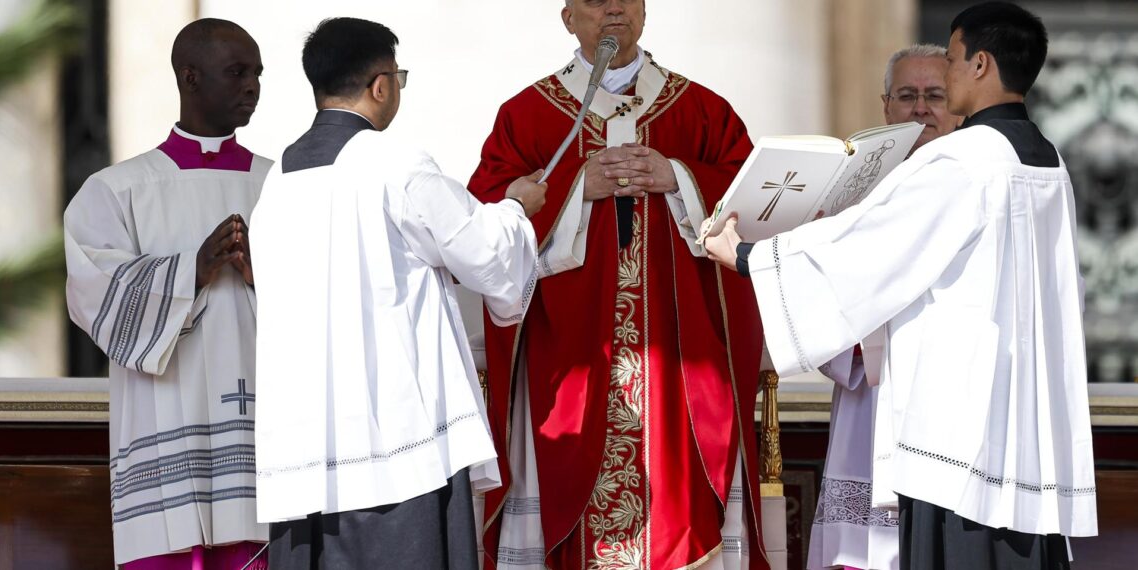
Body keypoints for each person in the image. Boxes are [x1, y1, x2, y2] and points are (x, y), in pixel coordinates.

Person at [705, 3, 1097, 569]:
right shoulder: (1045, 159)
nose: (949, 74)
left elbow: (868, 248)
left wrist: (746, 256)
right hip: (1022, 421)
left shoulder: (960, 161)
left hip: (959, 433)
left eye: (955, 61)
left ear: (982, 64)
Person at [467, 1, 766, 568]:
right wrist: (577, 187)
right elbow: (486, 219)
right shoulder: (529, 115)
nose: (613, 9)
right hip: (571, 354)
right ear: (567, 18)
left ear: (645, 12)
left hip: (676, 359)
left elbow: (753, 197)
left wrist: (678, 177)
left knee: (675, 494)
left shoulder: (701, 110)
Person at [250, 18, 547, 569]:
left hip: (305, 451)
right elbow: (484, 255)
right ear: (381, 85)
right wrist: (515, 207)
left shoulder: (277, 181)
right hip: (395, 447)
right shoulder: (394, 164)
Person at [64, 18, 269, 569]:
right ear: (190, 77)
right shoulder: (115, 191)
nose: (252, 86)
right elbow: (93, 297)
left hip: (260, 423)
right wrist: (190, 270)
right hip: (164, 420)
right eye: (237, 72)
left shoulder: (280, 186)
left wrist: (260, 274)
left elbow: (325, 300)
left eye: (257, 74)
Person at [807, 44, 961, 570]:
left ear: (958, 103)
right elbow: (821, 296)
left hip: (955, 402)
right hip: (872, 400)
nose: (921, 109)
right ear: (885, 106)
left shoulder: (985, 179)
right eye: (907, 96)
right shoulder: (854, 192)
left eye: (935, 95)